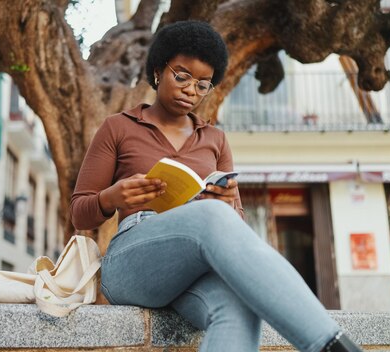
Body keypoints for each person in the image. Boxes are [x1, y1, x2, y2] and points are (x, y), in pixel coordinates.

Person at [70, 20, 362, 352]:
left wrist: (226, 205)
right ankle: (329, 344)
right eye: (181, 76)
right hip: (131, 263)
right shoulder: (118, 127)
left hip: (194, 265)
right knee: (209, 216)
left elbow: (233, 227)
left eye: (202, 84)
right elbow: (80, 214)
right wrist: (112, 196)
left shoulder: (216, 140)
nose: (190, 90)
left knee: (239, 308)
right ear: (157, 70)